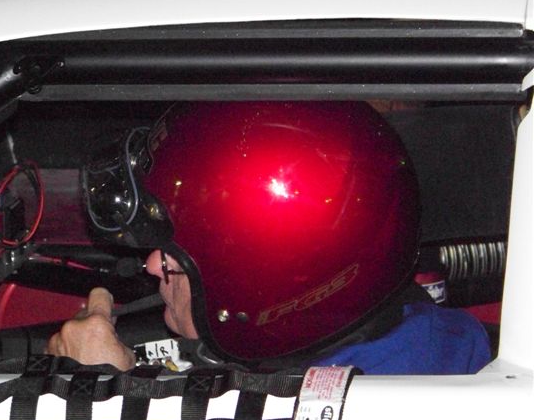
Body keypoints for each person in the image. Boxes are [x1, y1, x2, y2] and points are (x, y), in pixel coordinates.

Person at [48, 101, 491, 373]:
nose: (150, 264)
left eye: (175, 253)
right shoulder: (443, 340)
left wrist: (98, 400)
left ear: (263, 281)